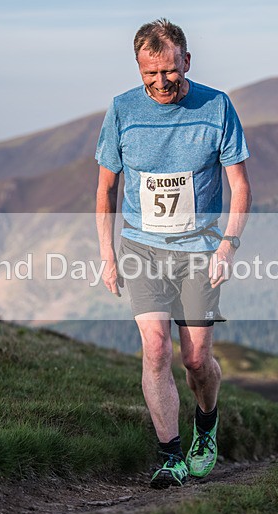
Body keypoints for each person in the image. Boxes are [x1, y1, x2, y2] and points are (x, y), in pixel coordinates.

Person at [95, 18, 252, 489]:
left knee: (197, 360)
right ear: (139, 68)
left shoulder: (217, 106)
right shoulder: (122, 111)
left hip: (200, 249)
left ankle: (207, 423)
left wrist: (229, 244)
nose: (161, 83)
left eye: (169, 72)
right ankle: (170, 456)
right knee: (155, 348)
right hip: (143, 247)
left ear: (187, 61)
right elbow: (106, 189)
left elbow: (240, 186)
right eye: (150, 75)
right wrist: (107, 252)